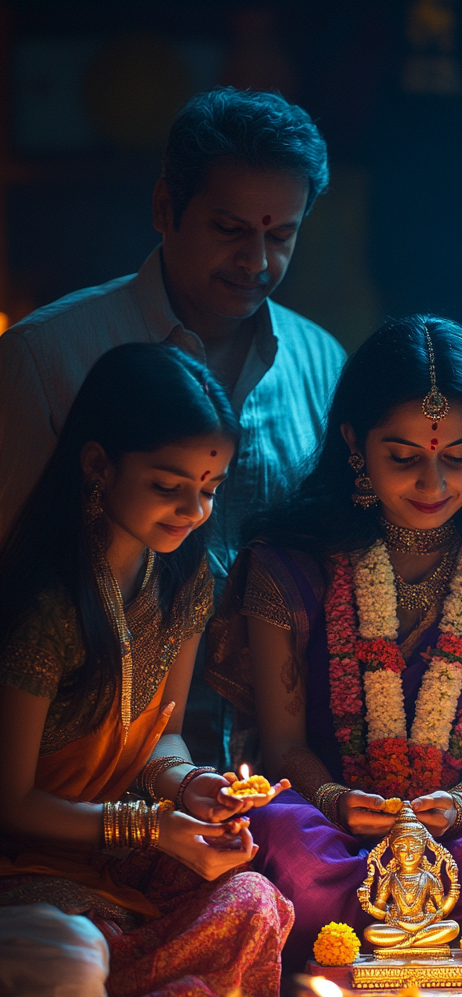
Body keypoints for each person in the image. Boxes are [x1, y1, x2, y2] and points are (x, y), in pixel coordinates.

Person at [206, 316, 462, 970]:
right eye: (404, 456)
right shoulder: (290, 563)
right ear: (355, 443)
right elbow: (281, 747)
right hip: (332, 821)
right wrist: (336, 800)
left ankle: (358, 948)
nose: (434, 485)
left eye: (458, 456)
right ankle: (431, 947)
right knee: (285, 847)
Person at [0, 87, 345, 764]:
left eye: (281, 235)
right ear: (165, 207)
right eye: (229, 229)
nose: (257, 263)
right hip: (80, 763)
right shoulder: (47, 357)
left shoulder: (320, 362)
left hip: (277, 754)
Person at [0, 343, 292, 997]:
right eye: (169, 486)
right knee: (66, 963)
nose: (194, 510)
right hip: (23, 870)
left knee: (257, 899)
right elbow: (10, 803)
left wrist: (191, 786)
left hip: (113, 867)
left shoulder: (182, 581)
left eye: (211, 488)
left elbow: (158, 733)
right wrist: (150, 829)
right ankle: (112, 995)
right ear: (99, 465)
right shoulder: (46, 603)